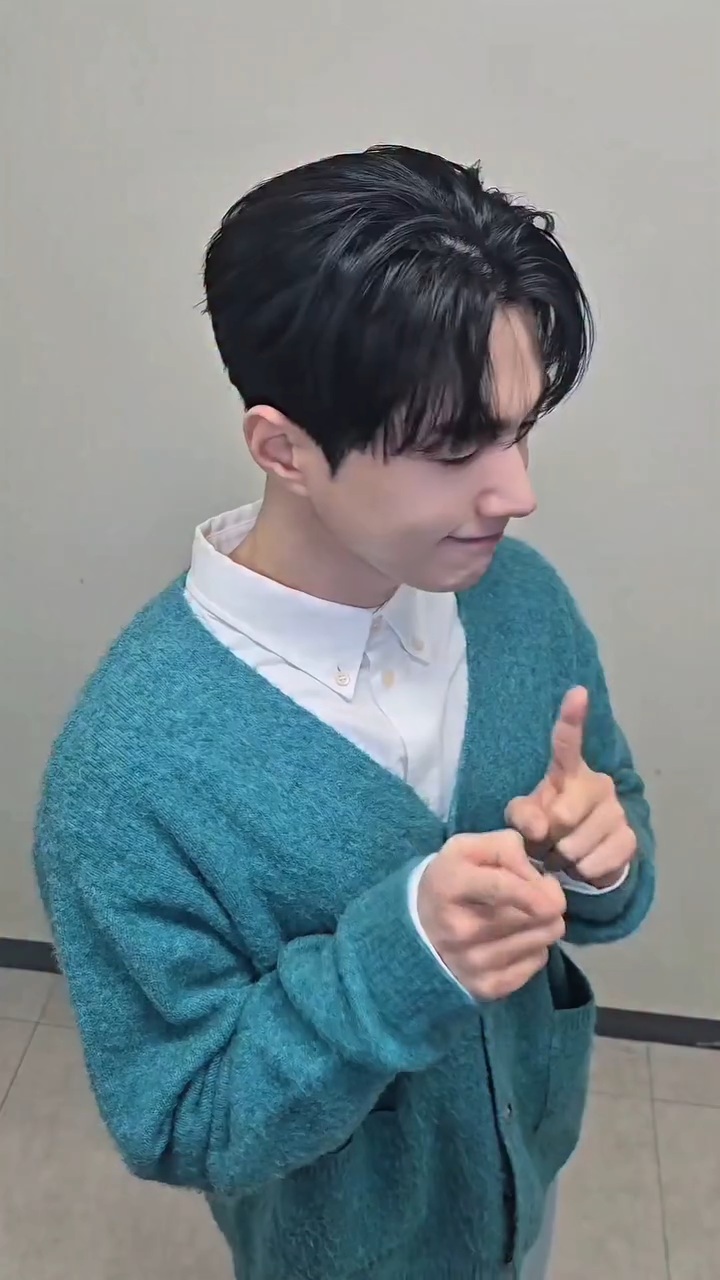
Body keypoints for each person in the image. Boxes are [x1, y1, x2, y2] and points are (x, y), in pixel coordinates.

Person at [34, 145, 655, 1280]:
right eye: (454, 447)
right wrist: (399, 960)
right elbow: (179, 1118)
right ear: (284, 448)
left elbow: (616, 848)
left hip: (528, 1171)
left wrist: (598, 866)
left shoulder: (521, 602)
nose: (517, 492)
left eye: (520, 430)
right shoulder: (128, 773)